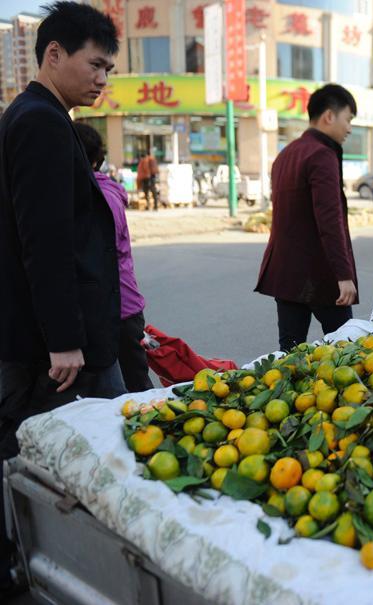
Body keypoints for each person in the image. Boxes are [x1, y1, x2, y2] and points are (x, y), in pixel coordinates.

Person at [0, 1, 122, 595]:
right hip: (59, 346)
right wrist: (67, 341)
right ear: (53, 54)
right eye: (95, 64)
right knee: (89, 461)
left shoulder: (37, 115)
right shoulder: (42, 122)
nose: (103, 79)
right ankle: (76, 572)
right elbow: (44, 242)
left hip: (52, 335)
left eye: (110, 70)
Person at [255, 84, 359, 352]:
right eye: (348, 119)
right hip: (321, 275)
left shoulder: (286, 154)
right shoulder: (322, 154)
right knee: (345, 352)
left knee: (289, 356)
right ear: (329, 116)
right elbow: (329, 219)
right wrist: (344, 274)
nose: (349, 128)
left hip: (285, 273)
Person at [75, 122, 154, 393]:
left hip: (117, 310)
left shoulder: (99, 197)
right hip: (118, 308)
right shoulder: (101, 191)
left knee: (135, 393)